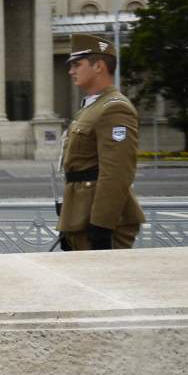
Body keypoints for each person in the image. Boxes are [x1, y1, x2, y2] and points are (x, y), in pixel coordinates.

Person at [58, 33, 143, 250]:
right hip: (79, 217)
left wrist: (102, 226)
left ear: (99, 67)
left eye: (77, 64)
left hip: (101, 222)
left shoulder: (114, 108)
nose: (71, 71)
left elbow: (116, 173)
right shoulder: (90, 108)